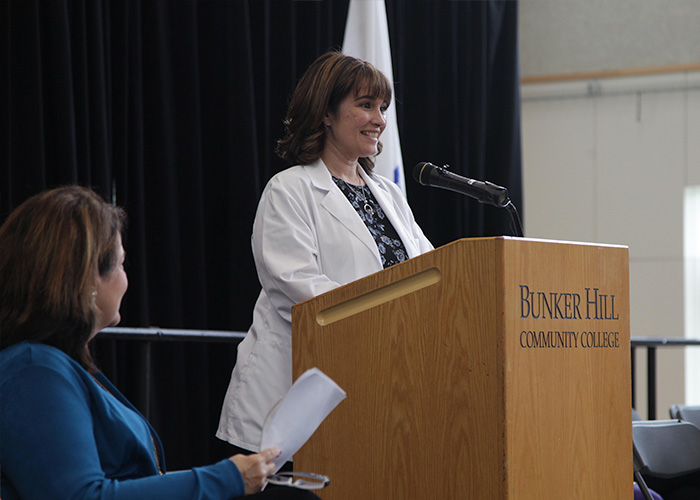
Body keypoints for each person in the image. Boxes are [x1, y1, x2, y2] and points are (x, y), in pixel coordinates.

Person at [0, 186, 318, 500]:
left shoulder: (50, 365)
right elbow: (81, 496)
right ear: (86, 280)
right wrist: (225, 479)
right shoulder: (34, 369)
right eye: (121, 264)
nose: (126, 279)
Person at [217, 51, 434, 454]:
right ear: (326, 114)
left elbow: (431, 272)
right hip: (292, 403)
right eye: (365, 105)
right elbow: (298, 288)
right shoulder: (289, 190)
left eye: (382, 108)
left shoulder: (388, 194)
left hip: (381, 389)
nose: (380, 119)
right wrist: (388, 321)